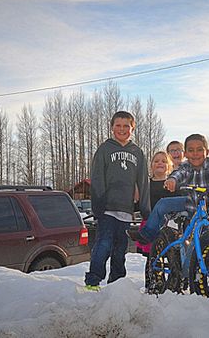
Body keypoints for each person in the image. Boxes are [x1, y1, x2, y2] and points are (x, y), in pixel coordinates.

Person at [128, 133, 209, 244]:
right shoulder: (186, 166)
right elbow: (178, 174)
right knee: (162, 204)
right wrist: (172, 180)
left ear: (207, 152)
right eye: (191, 150)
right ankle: (147, 233)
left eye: (199, 150)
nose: (195, 154)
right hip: (191, 205)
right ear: (186, 154)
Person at [84, 111, 151, 291]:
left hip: (126, 210)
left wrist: (145, 210)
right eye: (118, 125)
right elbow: (97, 178)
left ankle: (117, 284)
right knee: (104, 243)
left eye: (126, 126)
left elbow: (143, 181)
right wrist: (98, 205)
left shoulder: (137, 152)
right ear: (112, 127)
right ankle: (93, 280)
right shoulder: (105, 149)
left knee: (120, 248)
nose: (122, 129)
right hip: (107, 207)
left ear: (132, 128)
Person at [137, 151, 176, 289]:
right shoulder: (145, 185)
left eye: (163, 161)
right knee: (152, 258)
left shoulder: (173, 184)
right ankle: (152, 285)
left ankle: (173, 286)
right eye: (156, 161)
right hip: (150, 224)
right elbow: (138, 204)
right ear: (151, 166)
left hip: (170, 226)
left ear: (169, 166)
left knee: (172, 257)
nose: (160, 163)